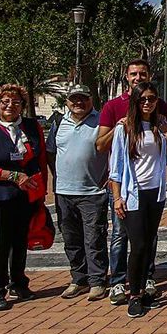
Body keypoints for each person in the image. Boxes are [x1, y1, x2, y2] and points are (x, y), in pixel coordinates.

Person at [95, 58, 167, 306]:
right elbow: (112, 161)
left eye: (151, 99)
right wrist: (118, 196)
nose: (148, 103)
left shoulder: (158, 122)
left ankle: (144, 282)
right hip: (131, 193)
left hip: (155, 193)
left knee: (147, 240)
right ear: (127, 78)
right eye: (133, 74)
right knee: (132, 241)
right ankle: (127, 288)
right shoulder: (121, 123)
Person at [0, 83, 48, 311]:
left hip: (26, 193)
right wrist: (11, 175)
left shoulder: (32, 127)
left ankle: (19, 282)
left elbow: (41, 159)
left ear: (23, 105)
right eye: (5, 102)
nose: (10, 106)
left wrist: (41, 190)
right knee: (0, 243)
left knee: (20, 240)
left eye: (16, 102)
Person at [48, 86, 108, 301]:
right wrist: (59, 177)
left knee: (94, 239)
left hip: (92, 192)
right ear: (67, 101)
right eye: (74, 99)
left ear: (91, 100)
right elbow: (50, 153)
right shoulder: (58, 123)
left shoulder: (102, 121)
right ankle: (78, 279)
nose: (79, 103)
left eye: (83, 98)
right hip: (64, 192)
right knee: (71, 239)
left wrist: (108, 174)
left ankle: (97, 281)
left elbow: (113, 150)